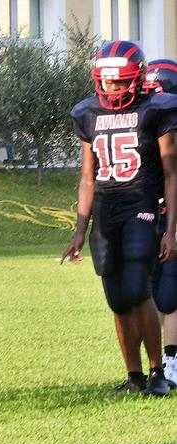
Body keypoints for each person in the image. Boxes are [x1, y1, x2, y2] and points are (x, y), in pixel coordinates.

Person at [62, 41, 177, 396]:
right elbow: (87, 176)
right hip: (105, 211)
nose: (113, 89)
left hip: (141, 204)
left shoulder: (156, 109)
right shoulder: (87, 113)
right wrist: (79, 229)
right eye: (108, 82)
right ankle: (134, 375)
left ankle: (158, 371)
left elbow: (172, 172)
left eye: (121, 82)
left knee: (135, 289)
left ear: (139, 78)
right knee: (116, 299)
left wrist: (171, 228)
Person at [144, 59, 177, 392]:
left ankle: (170, 359)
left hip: (169, 216)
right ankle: (159, 363)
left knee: (168, 294)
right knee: (152, 290)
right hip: (148, 213)